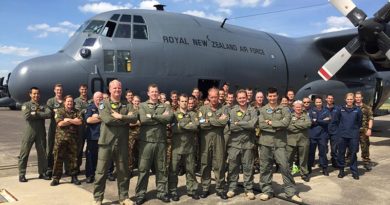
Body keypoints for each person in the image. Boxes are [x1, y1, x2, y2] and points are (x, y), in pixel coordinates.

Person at [92, 80, 137, 205]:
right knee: (101, 172)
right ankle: (98, 198)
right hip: (106, 143)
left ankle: (124, 197)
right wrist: (125, 120)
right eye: (115, 88)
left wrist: (121, 117)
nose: (117, 90)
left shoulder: (127, 104)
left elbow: (134, 118)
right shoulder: (103, 104)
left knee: (123, 171)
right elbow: (107, 119)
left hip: (122, 142)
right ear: (110, 89)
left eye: (119, 88)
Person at [258, 87, 302, 202]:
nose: (272, 98)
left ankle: (290, 192)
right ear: (267, 97)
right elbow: (261, 125)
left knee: (285, 167)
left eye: (274, 96)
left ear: (277, 96)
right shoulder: (262, 110)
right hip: (265, 143)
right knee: (265, 168)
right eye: (270, 96)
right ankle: (267, 191)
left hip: (280, 143)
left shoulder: (285, 109)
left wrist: (271, 123)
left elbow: (286, 123)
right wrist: (277, 127)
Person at [135, 84, 173, 205]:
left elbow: (169, 118)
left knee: (161, 169)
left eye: (156, 91)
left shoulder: (166, 105)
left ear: (158, 92)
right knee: (143, 169)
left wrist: (152, 116)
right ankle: (140, 194)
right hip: (146, 142)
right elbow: (143, 119)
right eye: (152, 92)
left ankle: (161, 192)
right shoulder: (142, 105)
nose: (154, 93)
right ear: (148, 93)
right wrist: (160, 118)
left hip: (161, 142)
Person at [168, 94, 200, 201]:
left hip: (189, 148)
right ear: (178, 102)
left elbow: (195, 126)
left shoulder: (193, 114)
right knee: (173, 171)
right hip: (177, 147)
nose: (184, 103)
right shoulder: (174, 114)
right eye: (182, 101)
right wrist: (188, 125)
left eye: (186, 101)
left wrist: (181, 125)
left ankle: (192, 190)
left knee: (191, 170)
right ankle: (173, 191)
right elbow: (174, 129)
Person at [226, 90, 257, 200]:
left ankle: (248, 189)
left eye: (243, 97)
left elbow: (253, 125)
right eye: (239, 98)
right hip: (234, 144)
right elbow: (231, 127)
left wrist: (238, 123)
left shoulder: (252, 110)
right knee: (233, 167)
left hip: (248, 144)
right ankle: (231, 188)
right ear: (236, 99)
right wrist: (246, 125)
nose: (242, 100)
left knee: (248, 167)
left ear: (247, 98)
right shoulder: (232, 111)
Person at [198, 87, 228, 200]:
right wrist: (216, 121)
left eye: (216, 97)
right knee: (205, 163)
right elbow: (201, 123)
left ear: (218, 96)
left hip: (219, 139)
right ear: (208, 97)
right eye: (211, 97)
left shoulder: (224, 108)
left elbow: (224, 122)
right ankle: (205, 188)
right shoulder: (203, 108)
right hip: (206, 139)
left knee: (219, 163)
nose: (214, 99)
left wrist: (209, 120)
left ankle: (220, 188)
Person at [18, 87, 52, 182]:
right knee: (24, 153)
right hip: (29, 132)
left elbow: (49, 114)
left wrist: (36, 114)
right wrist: (40, 114)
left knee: (42, 154)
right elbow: (27, 116)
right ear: (30, 94)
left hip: (40, 133)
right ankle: (22, 174)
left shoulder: (43, 106)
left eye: (37, 94)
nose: (36, 95)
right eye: (34, 93)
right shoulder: (26, 105)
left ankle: (42, 172)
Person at [50, 95, 82, 186]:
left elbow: (79, 122)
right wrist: (73, 120)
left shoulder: (76, 111)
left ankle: (74, 177)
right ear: (64, 102)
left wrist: (68, 119)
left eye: (71, 102)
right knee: (58, 159)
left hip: (73, 139)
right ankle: (56, 178)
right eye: (68, 101)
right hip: (61, 139)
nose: (69, 103)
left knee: (73, 159)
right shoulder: (59, 111)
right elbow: (60, 123)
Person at [332, 93, 362, 180]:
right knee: (341, 153)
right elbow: (335, 121)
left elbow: (359, 122)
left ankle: (354, 171)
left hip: (353, 136)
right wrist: (339, 132)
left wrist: (354, 130)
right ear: (345, 100)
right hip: (342, 136)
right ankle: (341, 170)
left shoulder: (358, 110)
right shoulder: (340, 109)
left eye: (351, 99)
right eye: (348, 99)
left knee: (353, 154)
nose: (349, 101)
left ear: (354, 100)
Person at [286, 100, 311, 182]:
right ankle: (288, 174)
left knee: (303, 158)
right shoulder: (289, 116)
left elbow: (308, 124)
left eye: (299, 107)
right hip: (291, 141)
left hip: (303, 140)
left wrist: (295, 125)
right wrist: (301, 127)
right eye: (296, 107)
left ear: (302, 107)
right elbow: (288, 126)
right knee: (289, 158)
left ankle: (304, 174)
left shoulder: (306, 116)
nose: (298, 108)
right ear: (293, 107)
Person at [308, 97, 331, 176]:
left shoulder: (326, 111)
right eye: (317, 102)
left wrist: (317, 120)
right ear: (315, 103)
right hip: (313, 135)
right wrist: (322, 120)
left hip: (323, 135)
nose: (318, 103)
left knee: (323, 153)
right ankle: (309, 168)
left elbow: (327, 121)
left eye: (319, 102)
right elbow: (310, 122)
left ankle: (324, 168)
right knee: (311, 153)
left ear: (322, 102)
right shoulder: (311, 111)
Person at [84, 92, 103, 183]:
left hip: (103, 136)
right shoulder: (90, 108)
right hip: (93, 137)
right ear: (94, 98)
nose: (99, 99)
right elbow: (88, 120)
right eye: (97, 97)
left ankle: (102, 174)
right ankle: (90, 175)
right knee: (91, 157)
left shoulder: (105, 107)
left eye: (100, 97)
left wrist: (97, 117)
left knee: (102, 157)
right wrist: (101, 117)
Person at [46, 83, 64, 177]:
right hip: (53, 128)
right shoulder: (51, 101)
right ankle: (49, 168)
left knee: (62, 149)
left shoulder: (65, 101)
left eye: (60, 90)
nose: (59, 91)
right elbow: (48, 113)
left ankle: (62, 170)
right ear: (54, 90)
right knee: (50, 149)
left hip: (63, 129)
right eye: (57, 90)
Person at [355, 91, 374, 171]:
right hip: (354, 131)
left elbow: (371, 119)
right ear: (355, 98)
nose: (358, 99)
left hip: (364, 131)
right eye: (357, 97)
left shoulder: (367, 108)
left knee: (365, 146)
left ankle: (366, 162)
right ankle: (349, 160)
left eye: (359, 97)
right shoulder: (351, 107)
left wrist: (369, 129)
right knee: (351, 147)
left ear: (362, 98)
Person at [74, 84, 89, 173]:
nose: (84, 91)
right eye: (82, 89)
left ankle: (89, 167)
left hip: (89, 128)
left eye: (85, 89)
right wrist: (87, 110)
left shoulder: (90, 100)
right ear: (79, 90)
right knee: (79, 148)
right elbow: (78, 111)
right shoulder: (76, 101)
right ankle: (77, 168)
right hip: (81, 128)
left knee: (90, 149)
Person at [128, 95, 141, 176]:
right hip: (131, 135)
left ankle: (141, 169)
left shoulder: (142, 110)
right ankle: (129, 170)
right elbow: (128, 123)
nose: (136, 103)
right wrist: (138, 123)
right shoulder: (130, 111)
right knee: (130, 153)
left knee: (141, 153)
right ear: (132, 101)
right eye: (135, 101)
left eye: (138, 101)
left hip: (141, 135)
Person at [325, 94, 339, 168]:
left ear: (333, 100)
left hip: (334, 132)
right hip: (325, 131)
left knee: (334, 149)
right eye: (329, 98)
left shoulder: (337, 109)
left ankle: (334, 161)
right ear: (326, 99)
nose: (330, 99)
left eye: (331, 98)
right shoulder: (323, 109)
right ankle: (324, 161)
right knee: (324, 148)